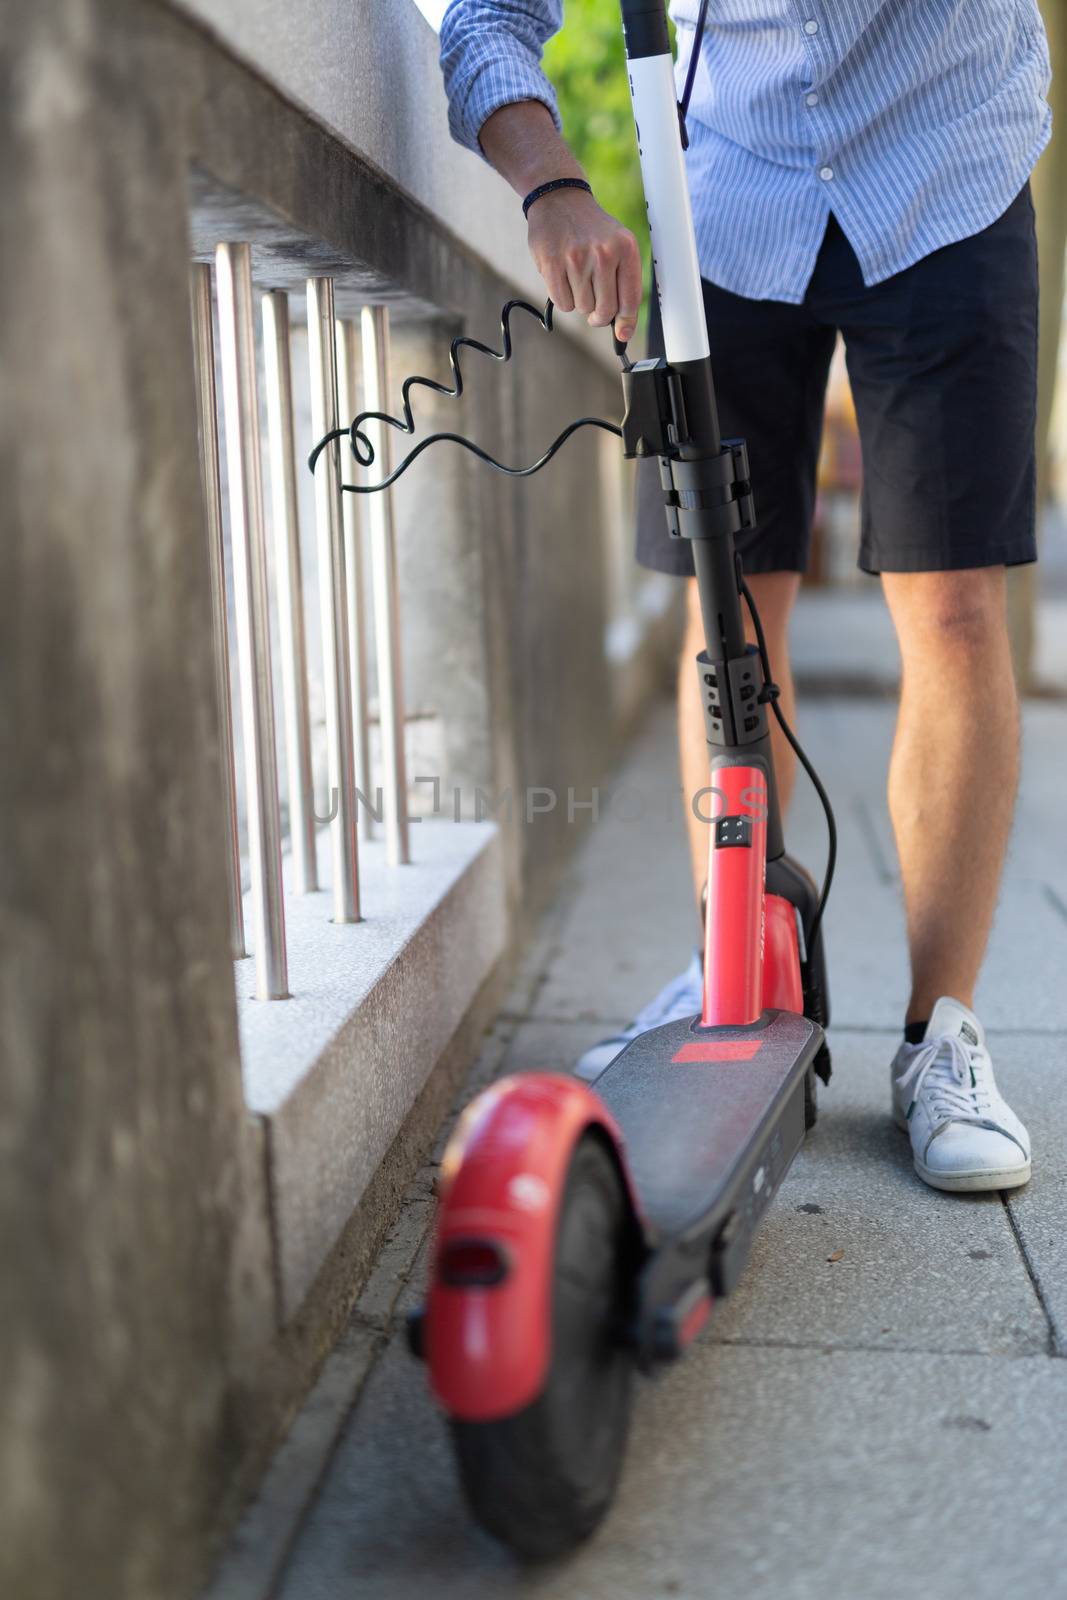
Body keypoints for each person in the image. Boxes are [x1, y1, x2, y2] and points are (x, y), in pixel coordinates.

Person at [438, 1, 1051, 1193]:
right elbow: (485, 18)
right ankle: (732, 969)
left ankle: (942, 1037)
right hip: (722, 196)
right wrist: (548, 180)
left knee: (953, 605)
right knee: (727, 606)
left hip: (945, 161)